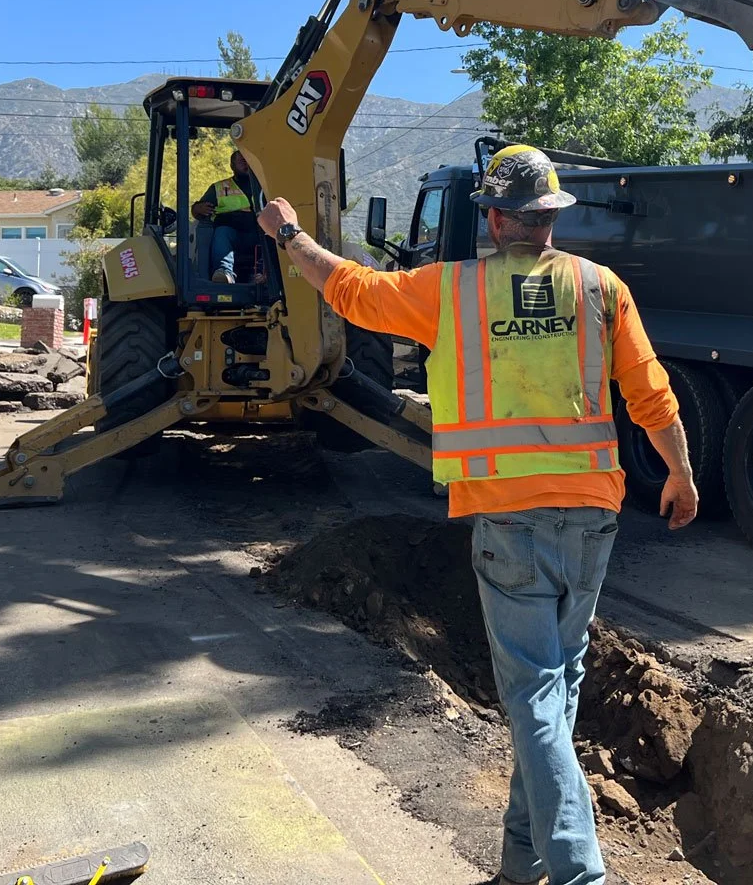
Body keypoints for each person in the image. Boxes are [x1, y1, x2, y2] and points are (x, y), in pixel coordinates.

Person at [257, 144, 698, 885]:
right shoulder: (601, 287)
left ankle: (579, 872)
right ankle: (520, 865)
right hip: (592, 517)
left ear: (493, 218)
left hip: (510, 520)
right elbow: (651, 396)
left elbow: (352, 290)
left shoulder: (452, 291)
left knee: (532, 698)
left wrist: (289, 234)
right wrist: (681, 472)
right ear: (550, 216)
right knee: (553, 692)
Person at [191, 150, 258, 283]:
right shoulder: (220, 188)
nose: (246, 164)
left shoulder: (264, 186)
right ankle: (225, 273)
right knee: (222, 233)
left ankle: (266, 275)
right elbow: (197, 210)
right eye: (242, 161)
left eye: (249, 161)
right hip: (234, 235)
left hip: (258, 233)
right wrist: (197, 208)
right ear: (232, 166)